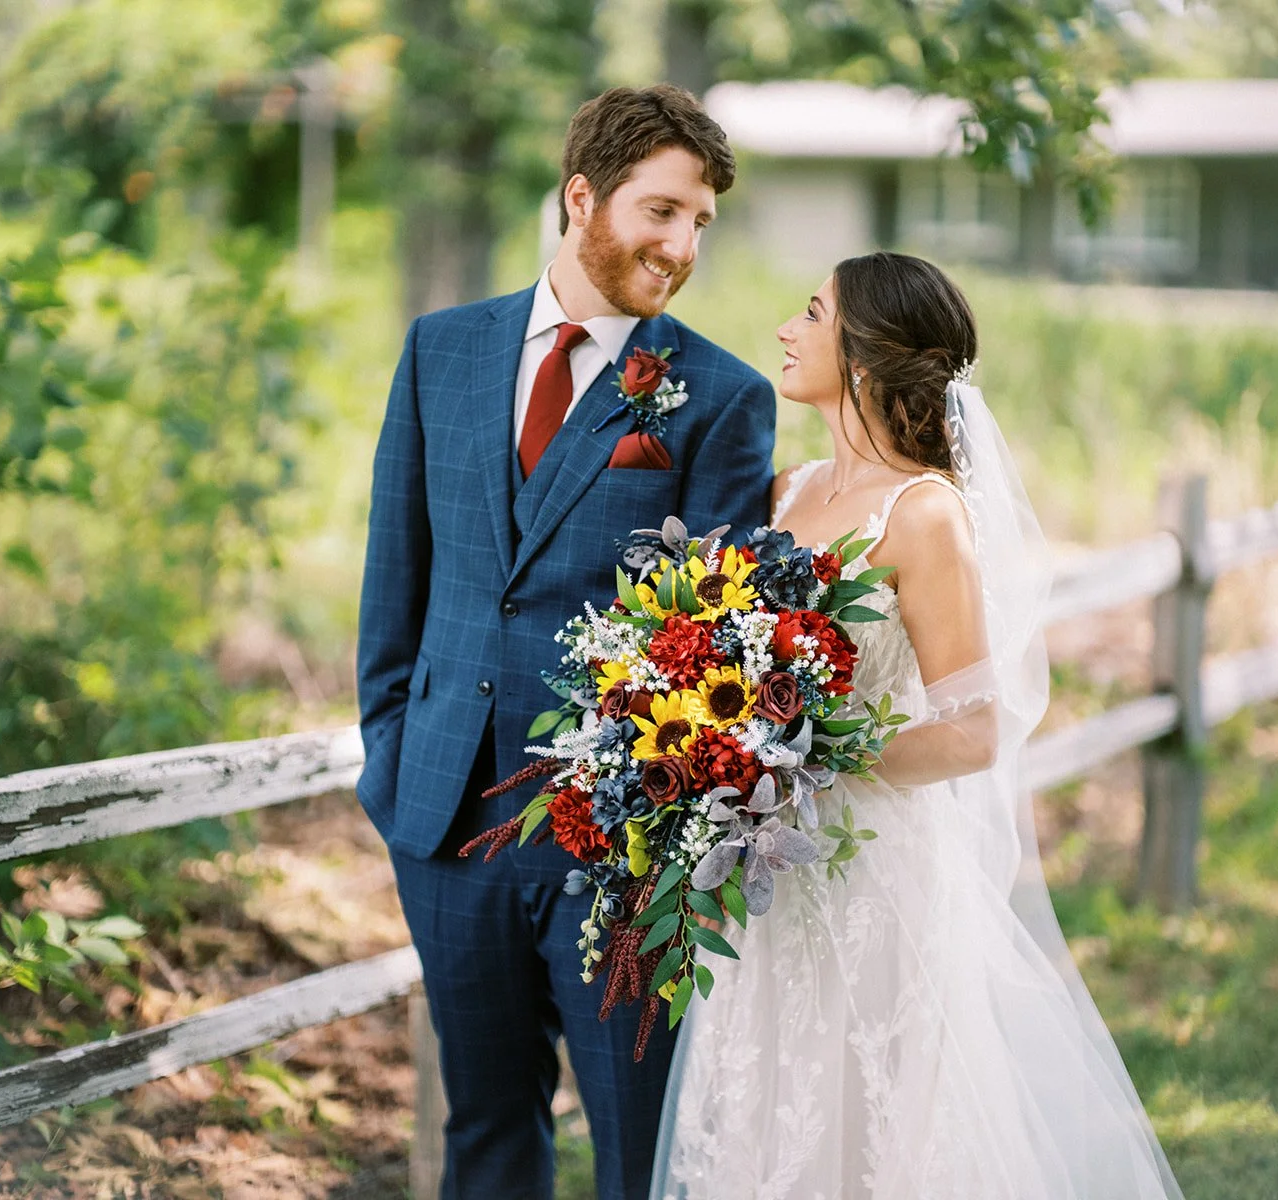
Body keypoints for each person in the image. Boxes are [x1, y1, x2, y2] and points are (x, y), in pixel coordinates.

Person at [651, 251, 1185, 1199]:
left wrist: (805, 759)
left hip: (870, 871)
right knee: (765, 1111)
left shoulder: (926, 514)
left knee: (870, 1124)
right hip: (765, 870)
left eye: (811, 313)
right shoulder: (787, 492)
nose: (786, 328)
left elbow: (975, 731)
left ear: (862, 358)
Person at [355, 85, 775, 1200]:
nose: (680, 246)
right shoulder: (440, 351)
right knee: (485, 1130)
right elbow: (396, 577)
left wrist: (666, 832)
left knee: (639, 1152)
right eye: (661, 212)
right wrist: (392, 760)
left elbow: (719, 641)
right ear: (580, 196)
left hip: (619, 850)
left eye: (698, 223)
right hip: (444, 815)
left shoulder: (721, 398)